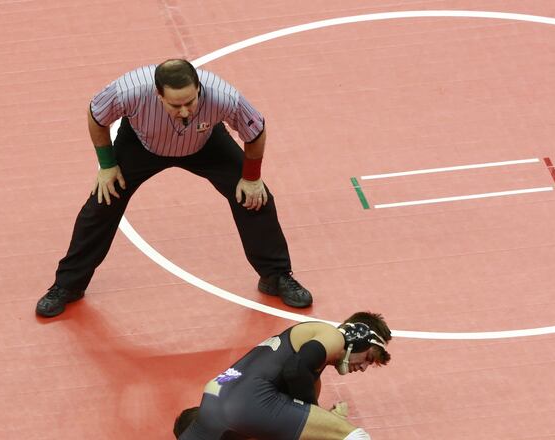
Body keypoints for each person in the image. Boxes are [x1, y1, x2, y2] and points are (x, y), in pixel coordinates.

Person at [36, 59, 313, 317]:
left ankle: (275, 277)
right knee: (101, 204)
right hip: (142, 144)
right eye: (175, 105)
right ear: (158, 95)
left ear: (199, 89)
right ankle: (68, 285)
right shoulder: (128, 91)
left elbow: (256, 131)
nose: (185, 111)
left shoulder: (222, 96)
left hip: (205, 143)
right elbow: (96, 116)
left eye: (191, 102)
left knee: (256, 198)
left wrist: (251, 178)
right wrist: (107, 165)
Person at [173, 312, 392, 440]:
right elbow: (296, 368)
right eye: (369, 358)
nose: (363, 367)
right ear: (358, 335)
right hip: (248, 402)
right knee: (355, 437)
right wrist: (327, 421)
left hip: (215, 395)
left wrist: (322, 421)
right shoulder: (332, 336)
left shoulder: (310, 373)